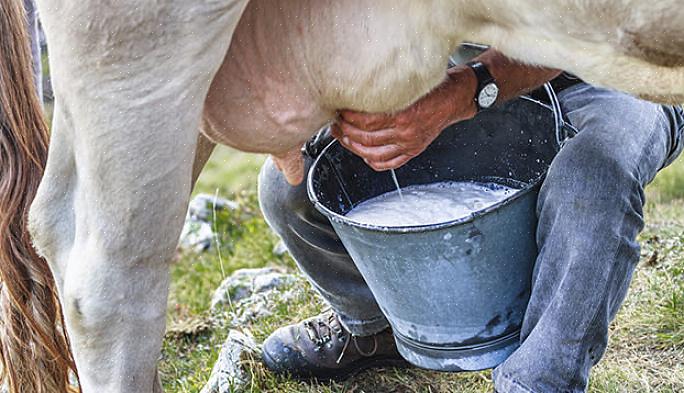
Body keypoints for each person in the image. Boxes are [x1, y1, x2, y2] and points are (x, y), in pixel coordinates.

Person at [257, 47, 684, 393]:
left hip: (622, 73)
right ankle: (378, 326)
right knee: (291, 187)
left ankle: (538, 381)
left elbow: (589, 28)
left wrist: (463, 93)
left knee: (593, 180)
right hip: (457, 62)